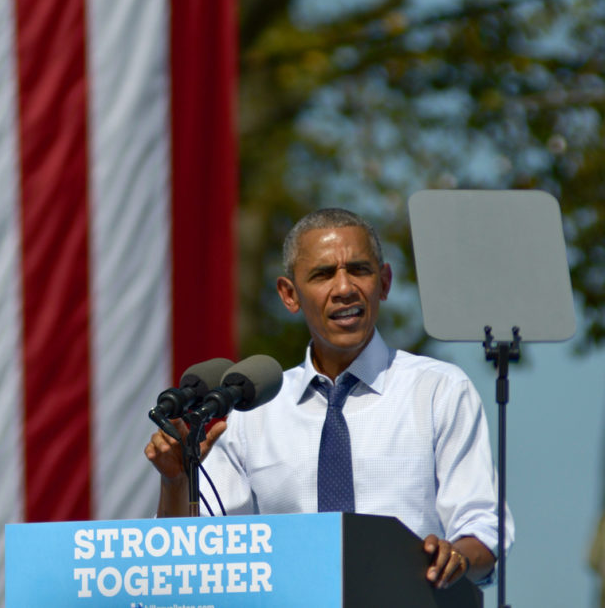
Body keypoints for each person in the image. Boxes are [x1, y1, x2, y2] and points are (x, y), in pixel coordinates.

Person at [145, 207, 512, 589]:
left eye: (359, 270)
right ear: (290, 295)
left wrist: (457, 555)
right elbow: (191, 560)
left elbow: (483, 529)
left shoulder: (438, 390)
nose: (344, 288)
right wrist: (175, 482)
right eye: (322, 274)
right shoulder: (249, 410)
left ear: (384, 282)